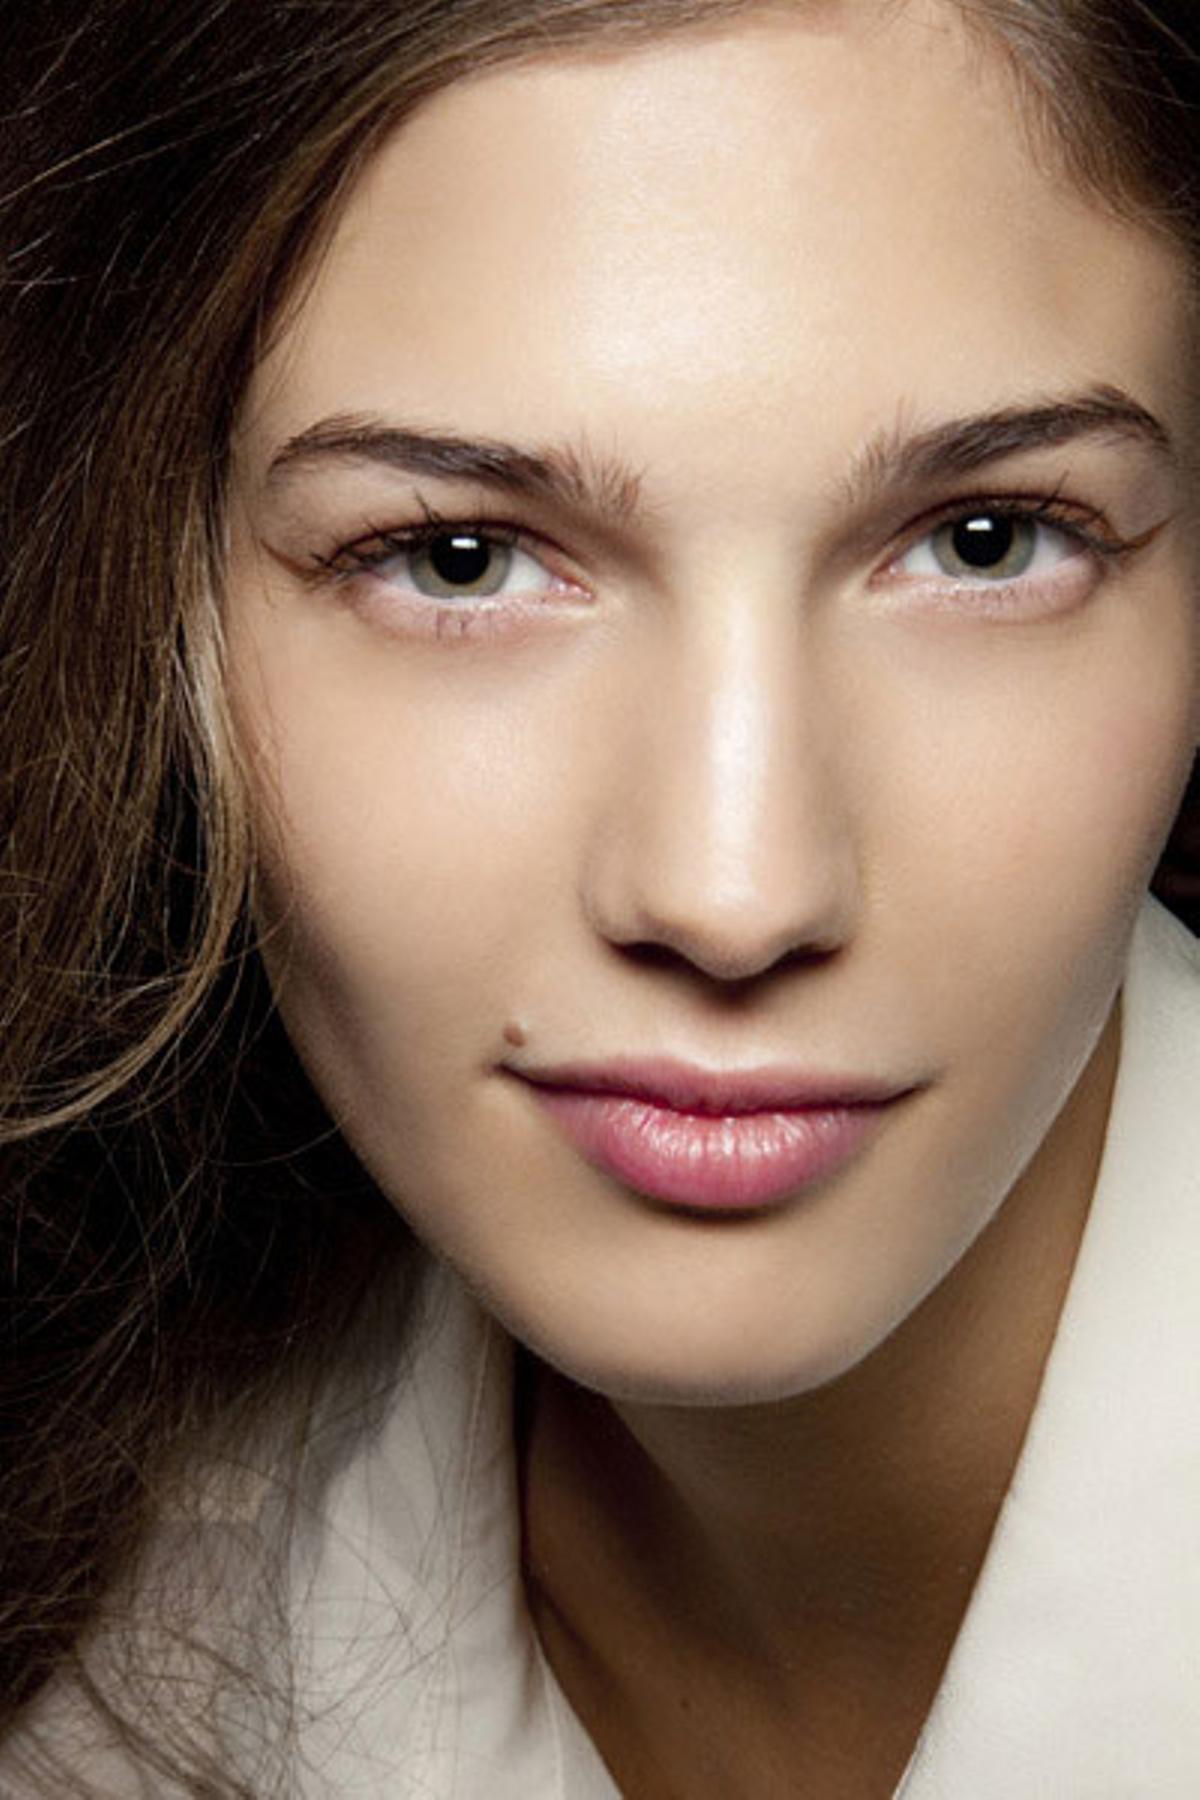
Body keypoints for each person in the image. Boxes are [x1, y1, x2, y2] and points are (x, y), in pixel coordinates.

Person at [2, 0, 1198, 1793]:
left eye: (987, 539)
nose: (735, 894)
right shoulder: (98, 1615)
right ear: (156, 609)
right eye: (459, 560)